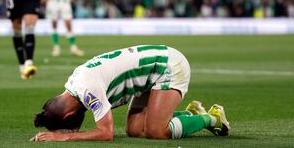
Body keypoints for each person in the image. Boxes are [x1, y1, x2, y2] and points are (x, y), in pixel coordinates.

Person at [30, 45, 231, 141]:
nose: (74, 128)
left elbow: (106, 133)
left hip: (167, 66)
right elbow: (81, 118)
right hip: (148, 75)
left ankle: (210, 118)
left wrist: (63, 138)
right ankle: (192, 115)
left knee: (156, 131)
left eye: (71, 125)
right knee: (134, 130)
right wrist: (66, 130)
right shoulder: (74, 83)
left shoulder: (87, 90)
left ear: (69, 116)